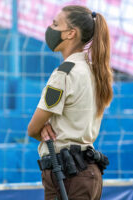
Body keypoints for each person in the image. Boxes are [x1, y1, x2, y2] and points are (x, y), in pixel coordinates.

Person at [27, 5, 113, 200]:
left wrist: (42, 127)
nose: (50, 28)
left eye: (56, 24)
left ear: (70, 34)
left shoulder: (64, 73)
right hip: (88, 172)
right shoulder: (94, 70)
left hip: (67, 176)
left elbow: (33, 129)